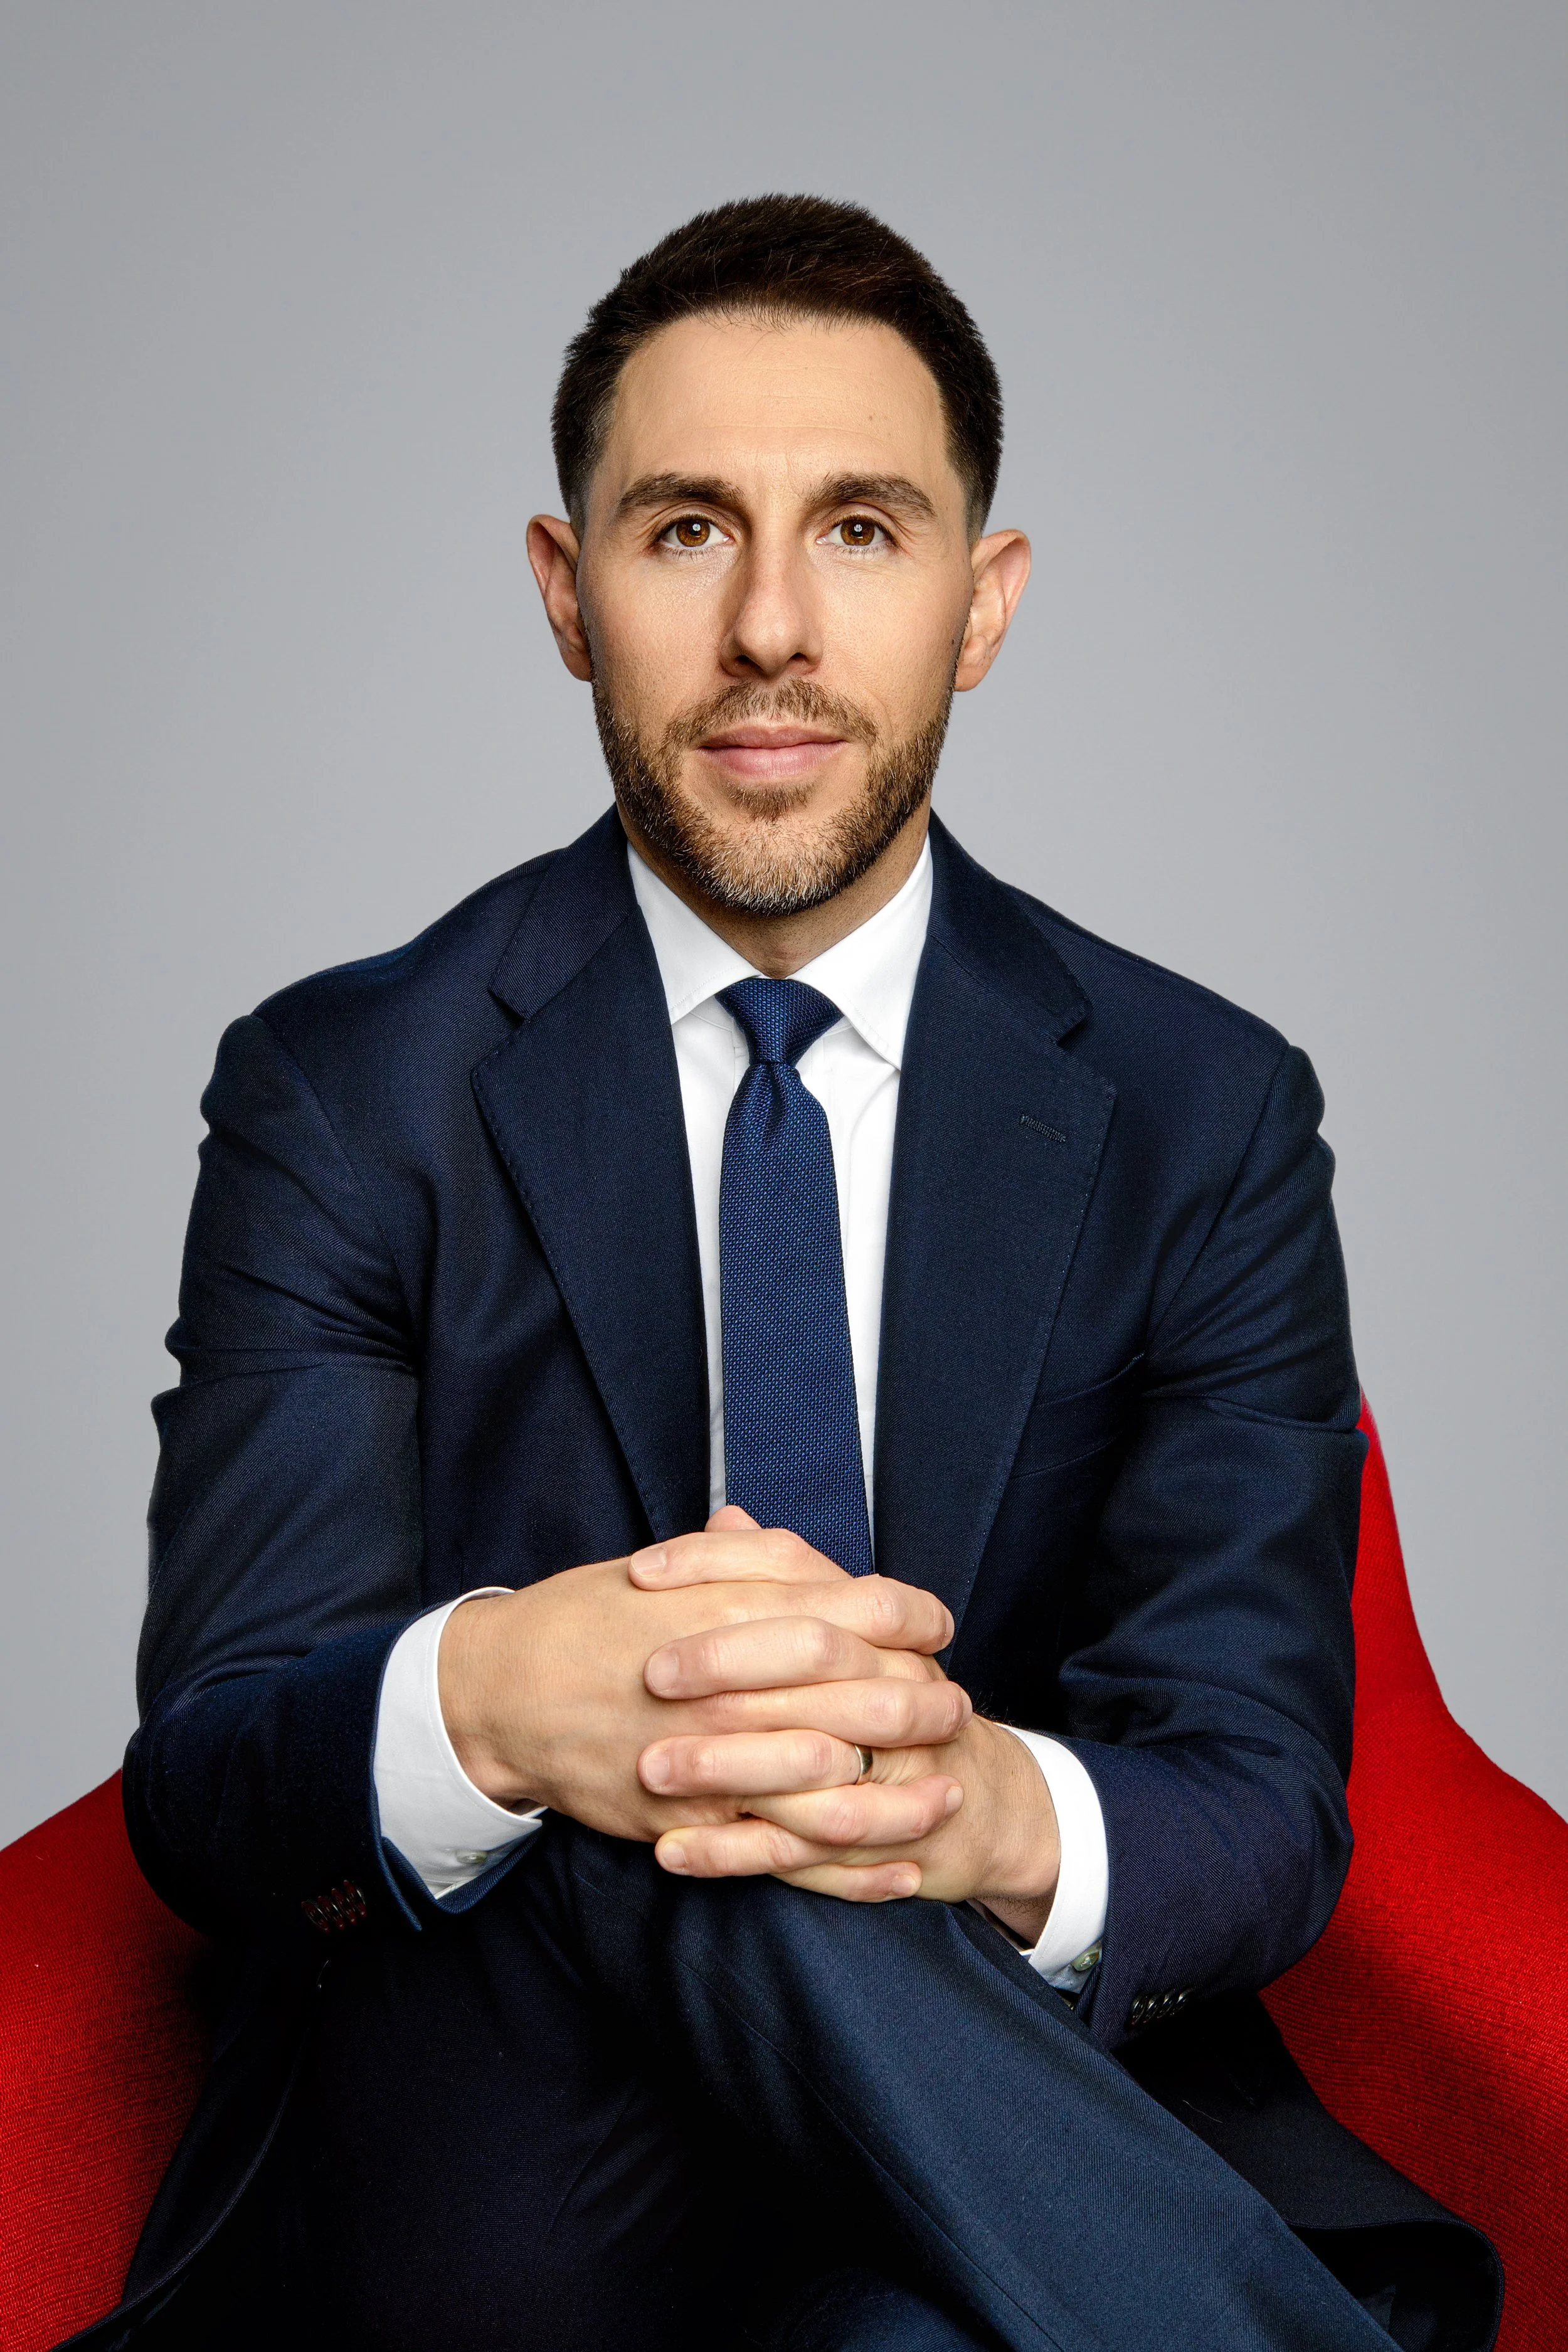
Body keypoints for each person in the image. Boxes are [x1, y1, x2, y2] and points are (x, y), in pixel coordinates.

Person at [73, 196, 1498, 2352]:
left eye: (856, 528)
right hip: (491, 2145)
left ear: (978, 601)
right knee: (673, 1783)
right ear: (567, 594)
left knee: (866, 2195)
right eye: (679, 532)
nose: (768, 628)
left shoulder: (1199, 1107)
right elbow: (212, 1775)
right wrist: (501, 1699)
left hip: (984, 2147)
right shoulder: (353, 1083)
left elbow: (1254, 1808)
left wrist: (975, 1802)